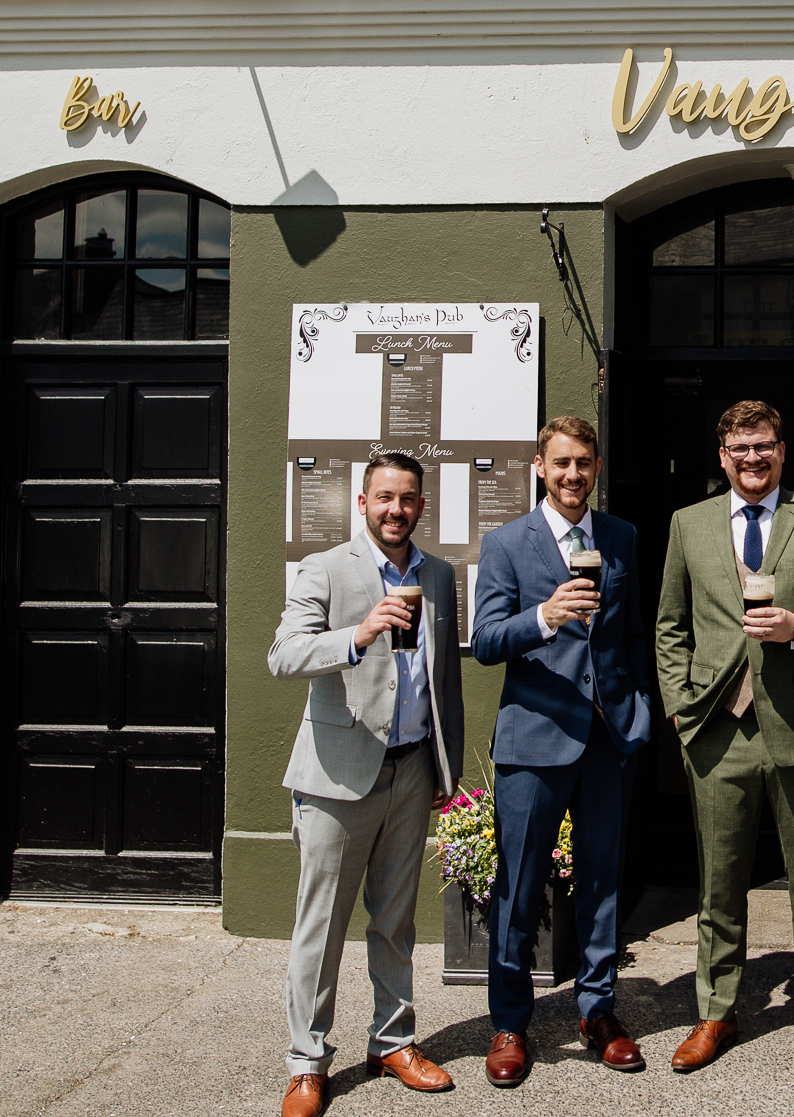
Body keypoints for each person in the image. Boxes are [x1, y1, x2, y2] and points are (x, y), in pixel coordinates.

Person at [655, 399, 794, 1078]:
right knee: (718, 886)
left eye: (765, 446)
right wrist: (677, 708)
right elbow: (669, 625)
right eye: (740, 448)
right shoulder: (687, 524)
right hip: (716, 730)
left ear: (782, 451)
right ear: (722, 456)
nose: (753, 458)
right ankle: (715, 1011)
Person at [269, 452, 465, 1117]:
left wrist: (446, 765)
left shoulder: (437, 574)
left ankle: (393, 1041)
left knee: (395, 922)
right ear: (362, 502)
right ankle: (306, 1064)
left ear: (420, 505)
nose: (395, 510)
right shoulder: (324, 570)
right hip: (336, 775)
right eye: (384, 498)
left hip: (411, 770)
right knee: (319, 928)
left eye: (407, 499)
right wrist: (357, 634)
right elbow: (284, 655)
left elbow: (446, 683)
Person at [470, 416, 654, 1085]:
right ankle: (510, 1022)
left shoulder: (621, 537)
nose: (574, 474)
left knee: (603, 884)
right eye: (562, 463)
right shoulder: (506, 544)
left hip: (607, 737)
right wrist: (544, 617)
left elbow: (632, 633)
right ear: (540, 468)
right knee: (519, 887)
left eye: (584, 463)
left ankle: (598, 1009)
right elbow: (486, 640)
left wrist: (637, 706)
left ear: (596, 468)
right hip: (534, 737)